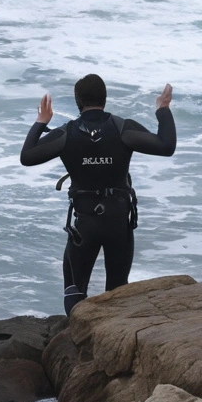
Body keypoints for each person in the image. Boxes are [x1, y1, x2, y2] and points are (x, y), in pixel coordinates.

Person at [20, 75, 176, 315]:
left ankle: (77, 338)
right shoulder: (123, 128)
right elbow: (166, 146)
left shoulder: (65, 133)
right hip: (118, 222)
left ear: (77, 101)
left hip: (85, 223)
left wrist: (41, 122)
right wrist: (163, 109)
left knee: (74, 288)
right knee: (117, 291)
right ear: (105, 99)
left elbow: (27, 157)